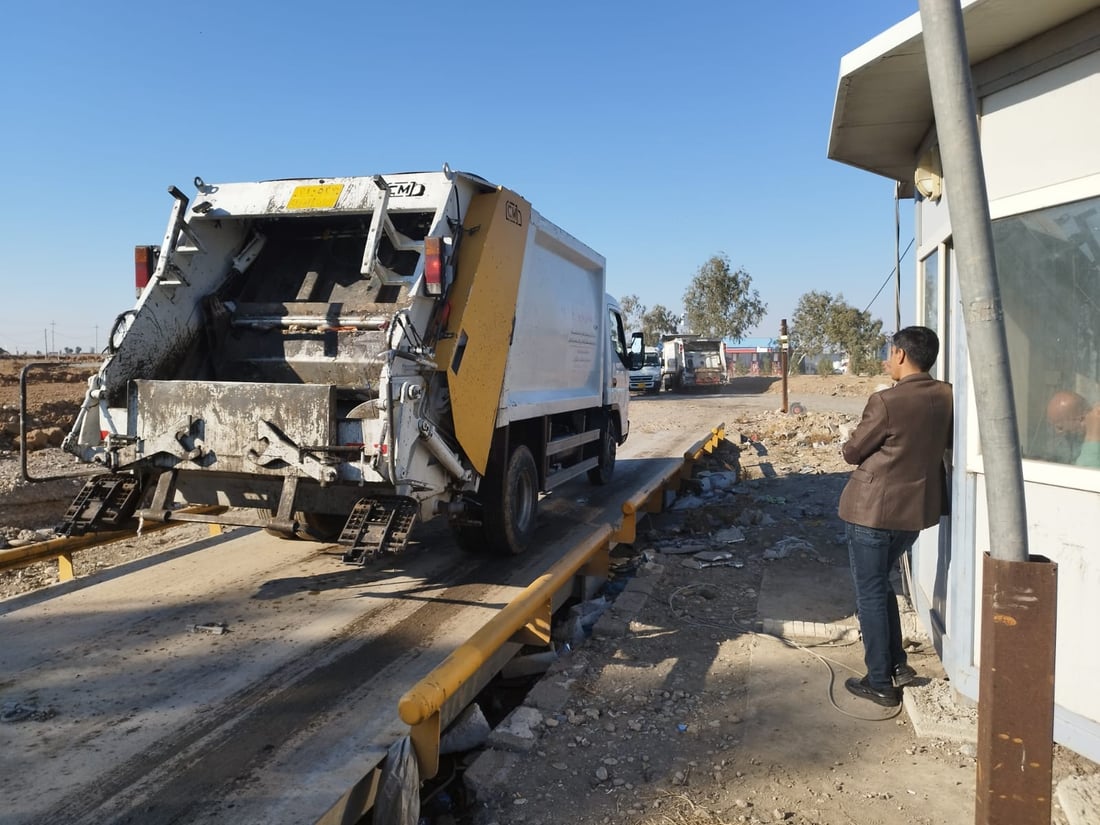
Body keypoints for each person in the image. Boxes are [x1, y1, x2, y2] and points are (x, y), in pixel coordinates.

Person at [838, 326, 953, 707]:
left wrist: (848, 440)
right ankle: (897, 665)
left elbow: (853, 452)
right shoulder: (948, 396)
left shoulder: (886, 401)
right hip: (914, 515)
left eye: (889, 353)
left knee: (869, 593)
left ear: (902, 355)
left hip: (871, 513)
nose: (887, 360)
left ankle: (879, 682)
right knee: (881, 585)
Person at [1045, 390, 1100, 468]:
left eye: (1060, 427)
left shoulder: (1094, 440)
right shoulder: (1071, 440)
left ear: (1081, 420)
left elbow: (1086, 474)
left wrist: (1093, 436)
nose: (1057, 432)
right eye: (1051, 425)